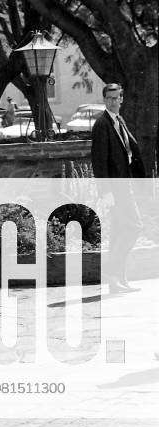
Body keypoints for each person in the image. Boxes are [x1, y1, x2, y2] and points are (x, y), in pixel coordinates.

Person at [91, 83, 146, 293]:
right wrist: (105, 194)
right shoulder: (102, 124)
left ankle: (118, 281)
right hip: (115, 190)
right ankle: (112, 273)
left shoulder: (118, 120)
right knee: (134, 227)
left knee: (120, 231)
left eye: (116, 98)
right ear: (104, 99)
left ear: (122, 99)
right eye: (109, 98)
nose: (113, 101)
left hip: (125, 186)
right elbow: (99, 162)